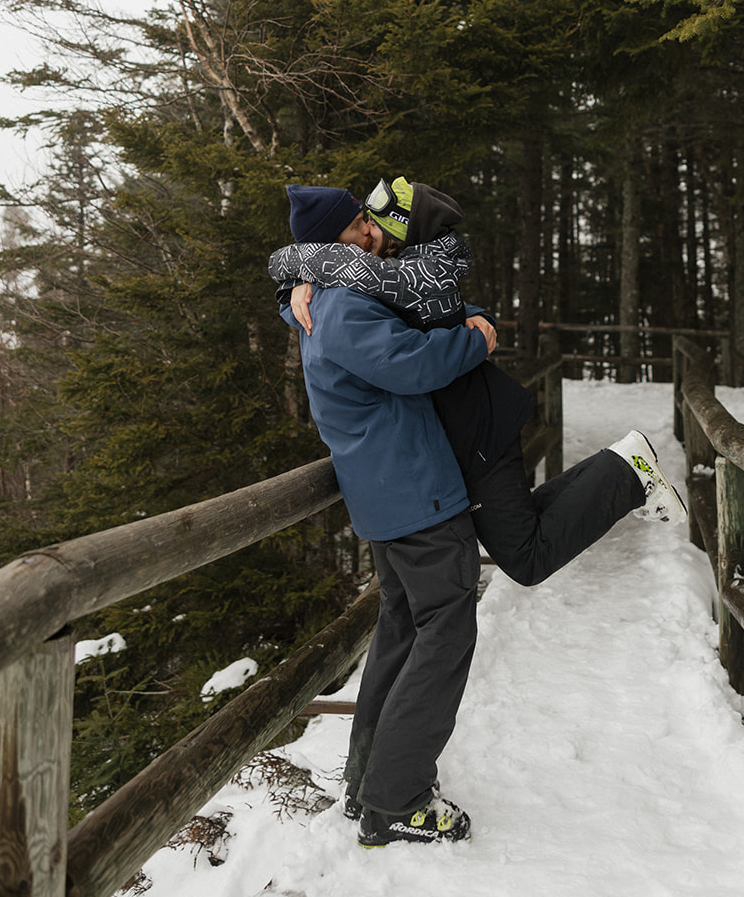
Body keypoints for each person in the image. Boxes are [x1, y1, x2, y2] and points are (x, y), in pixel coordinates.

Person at [270, 177, 685, 595]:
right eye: (362, 223)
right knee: (525, 525)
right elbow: (386, 297)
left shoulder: (418, 269)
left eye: (373, 224)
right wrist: (303, 279)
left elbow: (402, 322)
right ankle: (622, 465)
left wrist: (303, 270)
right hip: (467, 430)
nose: (367, 232)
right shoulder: (393, 269)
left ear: (404, 229)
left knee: (526, 557)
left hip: (477, 430)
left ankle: (627, 474)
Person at [275, 184, 493, 850]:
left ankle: (370, 780)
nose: (372, 228)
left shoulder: (330, 296)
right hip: (415, 493)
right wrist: (477, 340)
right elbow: (413, 362)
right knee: (444, 635)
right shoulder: (341, 306)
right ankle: (395, 802)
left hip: (388, 497)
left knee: (404, 632)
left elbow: (423, 310)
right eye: (359, 223)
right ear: (337, 239)